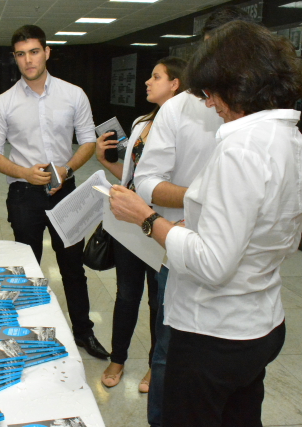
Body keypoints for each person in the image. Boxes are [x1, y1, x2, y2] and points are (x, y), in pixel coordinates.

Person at [111, 20, 302, 426]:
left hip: (214, 333)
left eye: (212, 92)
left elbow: (212, 264)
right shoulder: (296, 143)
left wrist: (147, 219)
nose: (208, 104)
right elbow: (280, 238)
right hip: (262, 321)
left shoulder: (240, 149)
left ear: (240, 84)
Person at [133, 8, 254, 425]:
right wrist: (207, 199)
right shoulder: (179, 109)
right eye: (210, 53)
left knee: (235, 377)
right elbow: (147, 182)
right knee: (169, 353)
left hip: (245, 274)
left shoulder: (264, 116)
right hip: (180, 251)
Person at [0, 25, 109, 359]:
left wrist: (67, 168)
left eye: (34, 52)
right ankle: (25, 335)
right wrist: (24, 172)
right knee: (26, 269)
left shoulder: (73, 94)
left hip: (65, 190)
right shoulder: (4, 103)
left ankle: (83, 332)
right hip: (23, 193)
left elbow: (87, 140)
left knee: (72, 266)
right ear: (15, 58)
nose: (28, 60)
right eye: (21, 54)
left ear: (47, 52)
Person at [95, 57, 187, 388]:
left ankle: (154, 365)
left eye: (156, 77)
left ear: (175, 83)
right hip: (129, 224)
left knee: (159, 299)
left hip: (161, 223)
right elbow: (134, 176)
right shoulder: (141, 123)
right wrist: (104, 161)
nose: (147, 82)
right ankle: (117, 359)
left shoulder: (186, 126)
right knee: (126, 295)